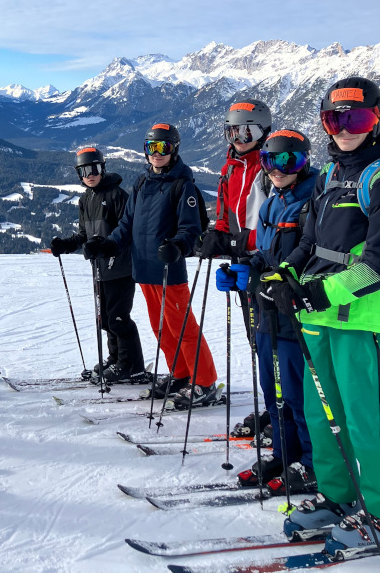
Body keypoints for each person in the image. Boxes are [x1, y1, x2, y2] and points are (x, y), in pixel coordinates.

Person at [259, 78, 380, 551]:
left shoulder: (376, 176)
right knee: (322, 412)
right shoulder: (329, 176)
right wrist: (286, 275)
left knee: (362, 418)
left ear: (376, 120)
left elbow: (376, 263)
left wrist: (321, 293)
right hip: (319, 318)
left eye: (358, 118)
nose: (345, 129)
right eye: (335, 119)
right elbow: (310, 242)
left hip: (360, 319)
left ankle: (377, 506)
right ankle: (338, 496)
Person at [84, 124, 217, 408]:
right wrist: (109, 244)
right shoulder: (142, 182)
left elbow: (190, 228)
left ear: (174, 149)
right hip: (143, 269)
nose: (157, 154)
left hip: (169, 269)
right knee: (162, 328)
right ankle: (181, 374)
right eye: (151, 148)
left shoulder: (183, 185)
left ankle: (205, 382)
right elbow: (126, 223)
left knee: (182, 327)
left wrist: (178, 246)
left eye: (163, 148)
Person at [216, 129, 317, 494]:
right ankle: (283, 453)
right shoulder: (273, 201)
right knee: (271, 389)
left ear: (305, 162)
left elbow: (306, 258)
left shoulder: (310, 201)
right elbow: (267, 252)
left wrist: (268, 275)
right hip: (265, 308)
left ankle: (310, 463)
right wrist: (242, 267)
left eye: (290, 160)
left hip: (291, 313)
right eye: (271, 161)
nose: (279, 169)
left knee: (295, 393)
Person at [49, 145, 145, 383]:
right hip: (100, 269)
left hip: (121, 267)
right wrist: (66, 245)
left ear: (103, 168)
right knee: (105, 319)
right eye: (84, 171)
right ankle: (115, 359)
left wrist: (104, 246)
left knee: (118, 318)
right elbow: (84, 234)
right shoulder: (86, 199)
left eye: (94, 169)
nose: (89, 175)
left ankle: (130, 365)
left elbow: (128, 232)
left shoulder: (117, 195)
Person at [199, 99, 271, 259]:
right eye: (232, 133)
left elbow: (277, 227)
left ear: (263, 133)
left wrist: (234, 243)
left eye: (247, 133)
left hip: (266, 257)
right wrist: (216, 240)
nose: (238, 140)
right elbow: (224, 217)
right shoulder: (229, 170)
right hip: (239, 255)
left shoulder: (270, 171)